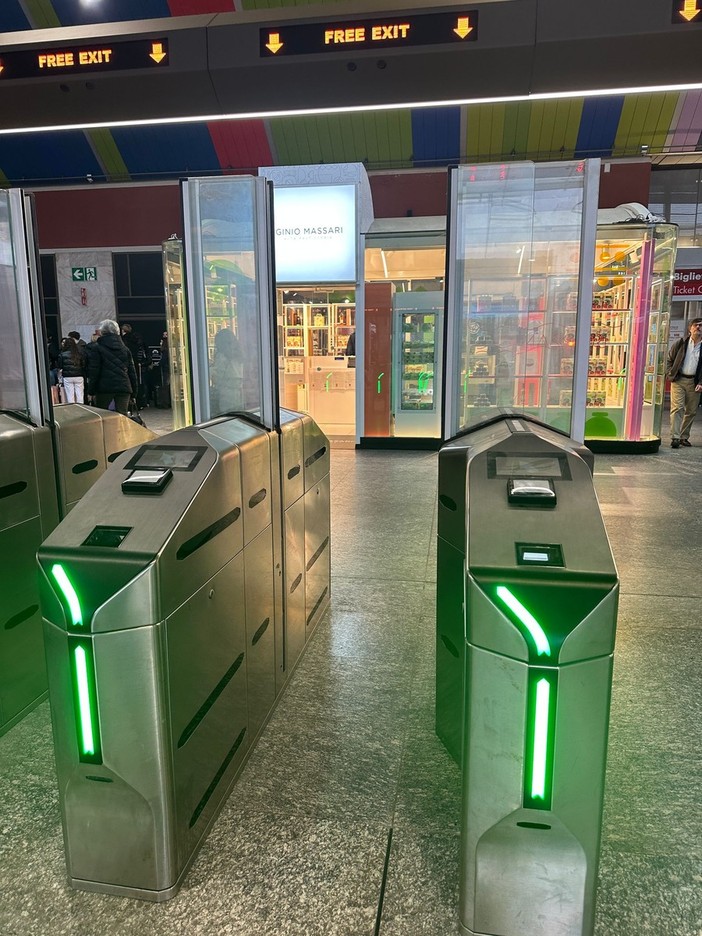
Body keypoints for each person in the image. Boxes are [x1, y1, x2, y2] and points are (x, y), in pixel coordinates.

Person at [86, 319, 138, 416]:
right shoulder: (125, 349)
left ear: (102, 331)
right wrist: (134, 392)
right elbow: (132, 371)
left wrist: (91, 391)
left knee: (102, 415)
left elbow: (94, 371)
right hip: (123, 386)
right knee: (122, 416)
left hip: (104, 387)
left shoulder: (97, 348)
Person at [667, 317, 702, 448]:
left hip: (695, 382)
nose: (698, 327)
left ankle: (684, 437)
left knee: (691, 411)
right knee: (677, 408)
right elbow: (669, 359)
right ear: (690, 328)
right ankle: (675, 437)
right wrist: (670, 373)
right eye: (695, 325)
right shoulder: (681, 343)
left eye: (701, 325)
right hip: (679, 380)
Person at [210, 328, 244, 414]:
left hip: (226, 396)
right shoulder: (239, 355)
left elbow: (218, 379)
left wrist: (210, 371)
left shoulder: (222, 357)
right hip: (239, 394)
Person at [57, 336, 87, 403]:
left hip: (67, 376)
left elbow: (60, 366)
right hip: (79, 376)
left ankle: (72, 409)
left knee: (70, 396)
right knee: (80, 395)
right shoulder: (79, 354)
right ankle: (81, 409)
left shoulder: (62, 354)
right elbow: (83, 365)